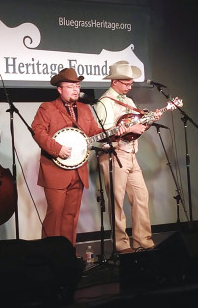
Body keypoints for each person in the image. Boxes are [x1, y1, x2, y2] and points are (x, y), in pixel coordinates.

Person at [31, 68, 126, 247]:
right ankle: (49, 255)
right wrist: (57, 148)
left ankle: (68, 254)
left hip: (78, 171)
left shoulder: (85, 109)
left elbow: (95, 133)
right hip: (55, 171)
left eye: (78, 86)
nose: (76, 89)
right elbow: (37, 131)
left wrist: (115, 133)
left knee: (71, 217)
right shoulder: (48, 108)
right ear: (59, 89)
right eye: (70, 86)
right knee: (55, 215)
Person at [94, 60, 161, 254]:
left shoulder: (129, 101)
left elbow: (135, 128)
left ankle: (143, 241)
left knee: (141, 196)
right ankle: (121, 245)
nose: (130, 87)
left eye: (131, 83)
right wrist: (129, 129)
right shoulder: (105, 102)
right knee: (116, 201)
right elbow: (103, 131)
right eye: (127, 83)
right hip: (114, 154)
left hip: (131, 153)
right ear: (114, 81)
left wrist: (147, 123)